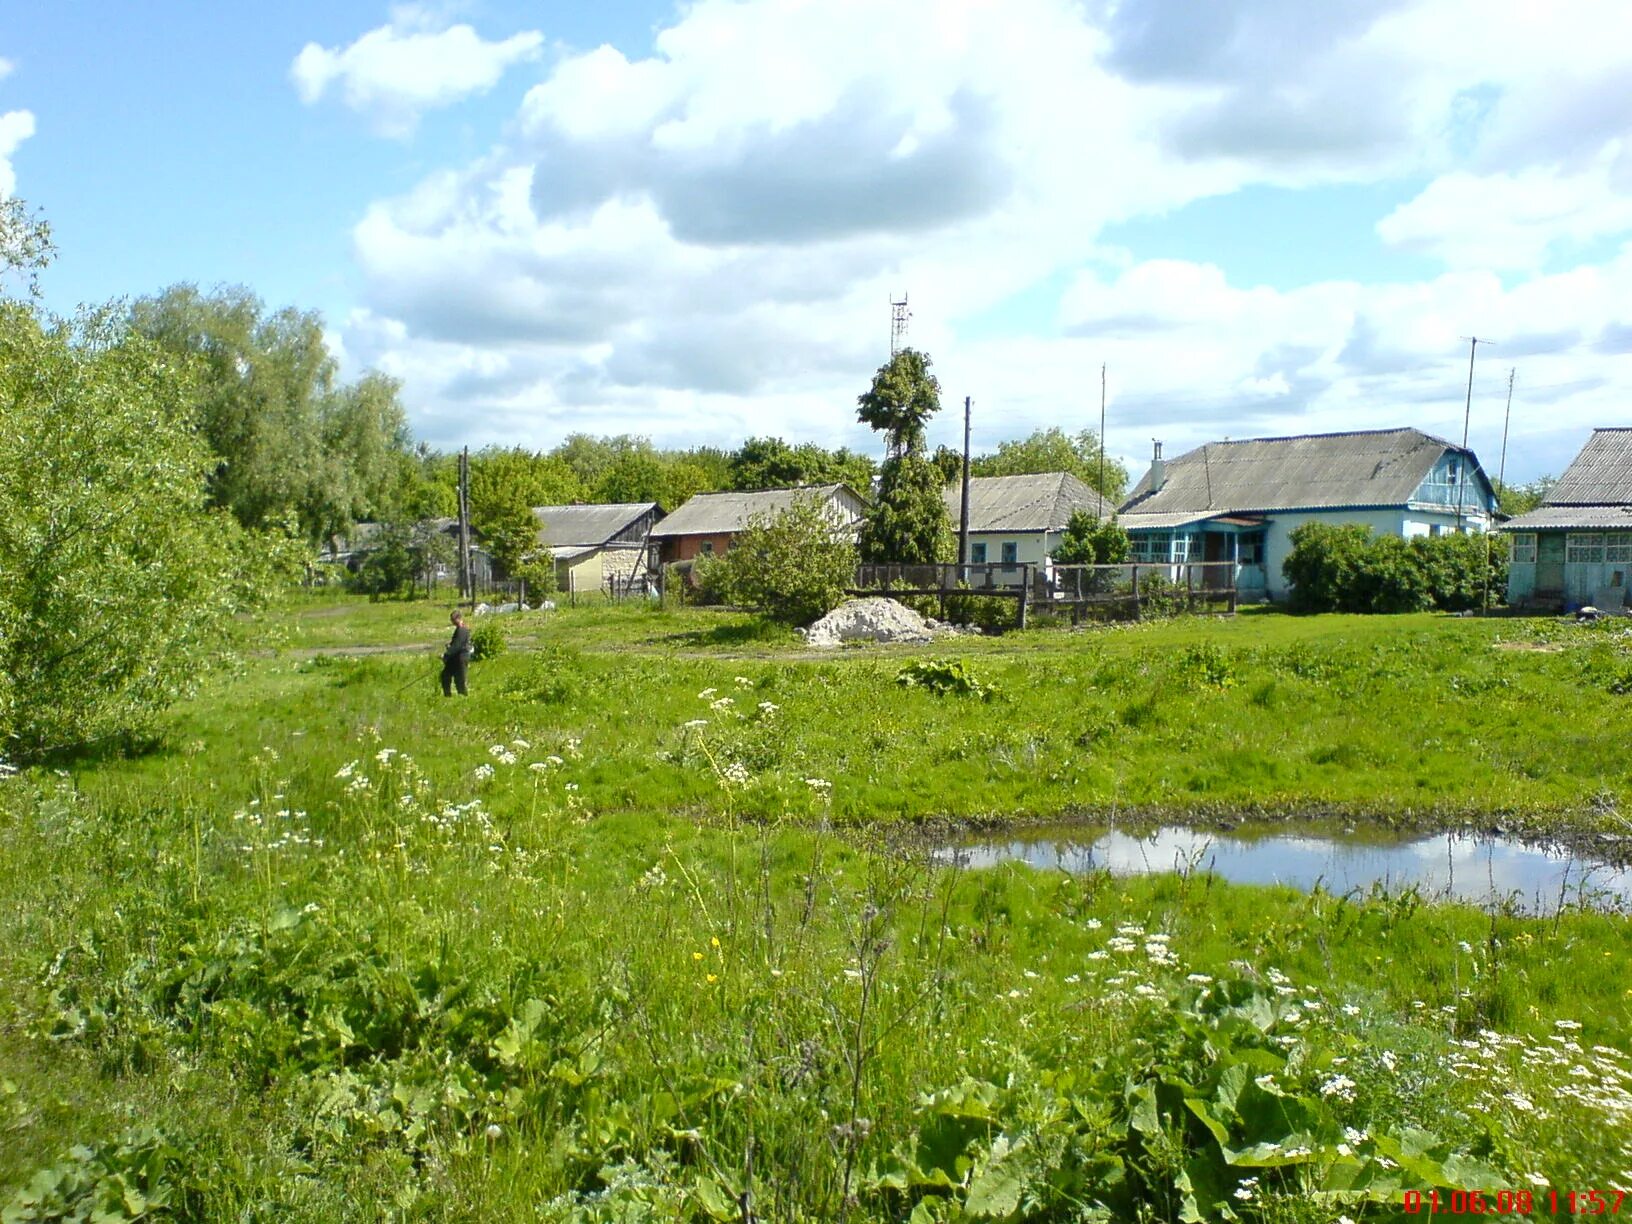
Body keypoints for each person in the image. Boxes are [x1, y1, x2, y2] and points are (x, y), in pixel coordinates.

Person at [441, 610, 472, 697]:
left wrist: (446, 654)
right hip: (455, 657)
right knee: (445, 675)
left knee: (460, 680)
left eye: (453, 620)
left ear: (458, 618)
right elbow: (455, 644)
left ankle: (463, 697)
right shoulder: (459, 629)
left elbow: (458, 645)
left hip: (461, 657)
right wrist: (450, 645)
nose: (452, 622)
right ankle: (447, 696)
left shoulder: (462, 630)